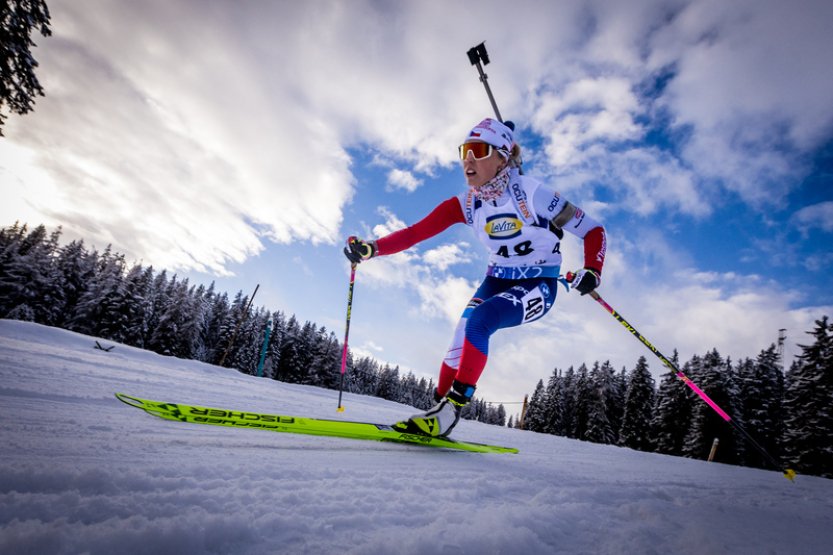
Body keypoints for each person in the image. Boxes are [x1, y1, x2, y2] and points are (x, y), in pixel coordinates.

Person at [343, 118, 607, 437]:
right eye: (465, 151)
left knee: (481, 320)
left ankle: (450, 412)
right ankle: (437, 411)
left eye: (479, 151)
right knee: (458, 343)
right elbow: (415, 233)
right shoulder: (467, 203)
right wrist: (372, 249)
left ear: (502, 158)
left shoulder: (533, 194)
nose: (468, 159)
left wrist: (592, 270)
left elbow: (593, 230)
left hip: (538, 283)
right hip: (497, 279)